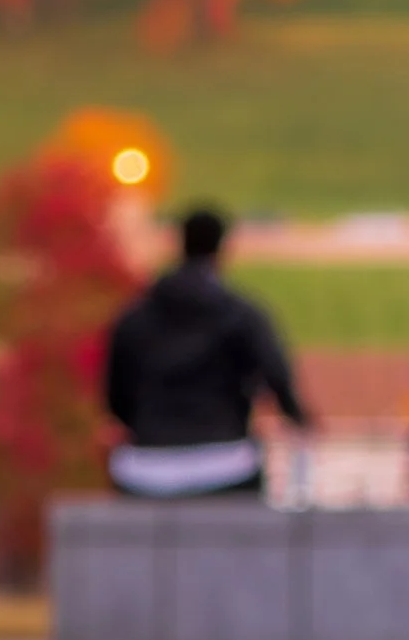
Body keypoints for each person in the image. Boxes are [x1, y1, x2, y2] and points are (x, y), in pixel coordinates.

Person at [102, 206, 310, 498]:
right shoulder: (242, 314)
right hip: (226, 463)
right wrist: (299, 418)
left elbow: (115, 397)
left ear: (179, 244)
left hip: (145, 467)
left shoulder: (134, 318)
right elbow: (276, 377)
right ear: (222, 248)